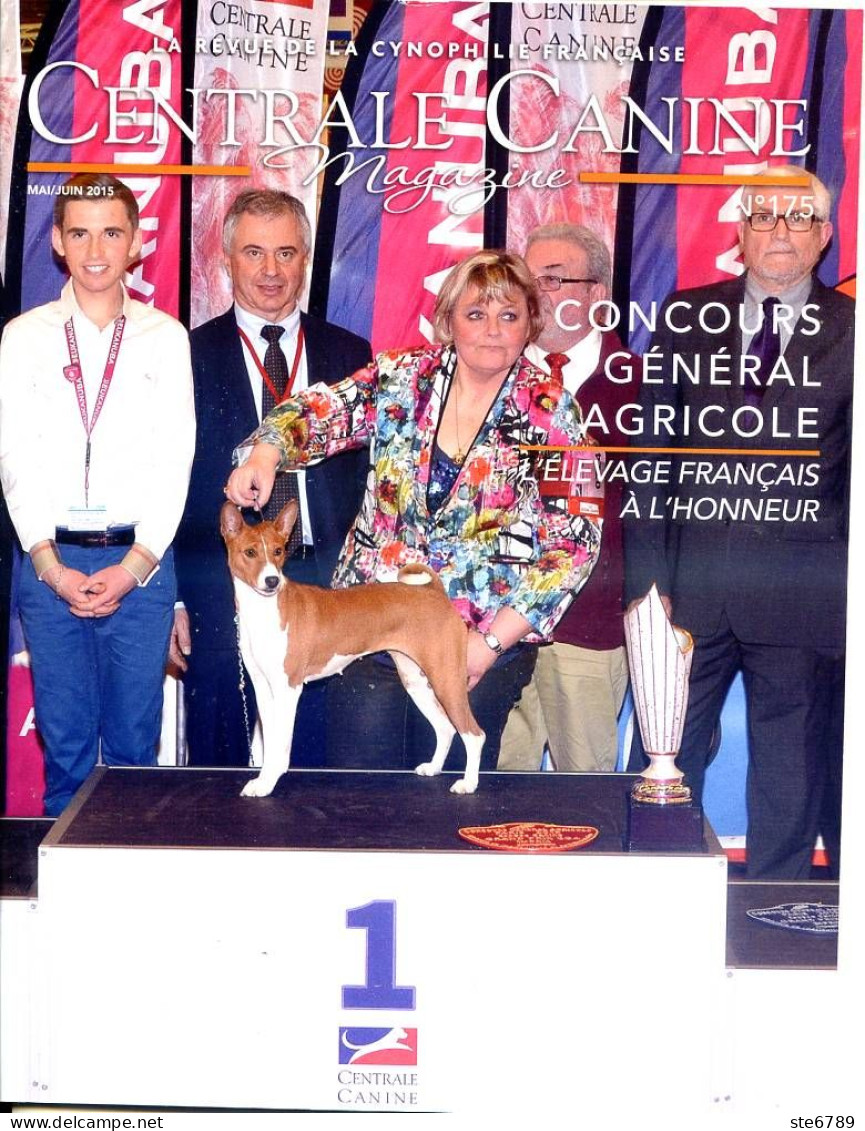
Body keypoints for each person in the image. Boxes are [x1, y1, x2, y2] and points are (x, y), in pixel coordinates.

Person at [226, 250, 602, 772]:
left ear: (531, 324)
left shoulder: (554, 411)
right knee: (365, 800)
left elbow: (576, 543)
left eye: (509, 316)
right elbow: (317, 411)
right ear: (447, 320)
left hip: (480, 641)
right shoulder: (400, 377)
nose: (492, 330)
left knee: (453, 810)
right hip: (370, 634)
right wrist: (267, 451)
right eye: (475, 314)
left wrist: (490, 643)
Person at [624, 167, 853, 879]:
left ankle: (772, 911)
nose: (778, 232)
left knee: (790, 765)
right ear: (740, 232)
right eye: (762, 217)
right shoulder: (686, 317)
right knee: (663, 752)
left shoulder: (855, 332)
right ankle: (648, 887)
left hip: (805, 592)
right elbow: (650, 458)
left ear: (822, 237)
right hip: (688, 591)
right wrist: (647, 582)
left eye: (796, 219)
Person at [0, 172, 195, 817]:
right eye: (79, 233)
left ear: (136, 243)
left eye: (111, 233)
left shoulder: (166, 338)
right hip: (50, 562)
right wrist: (49, 567)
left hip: (138, 565)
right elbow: (15, 457)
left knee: (136, 753)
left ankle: (133, 899)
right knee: (67, 750)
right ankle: (66, 903)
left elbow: (177, 460)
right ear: (57, 241)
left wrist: (137, 566)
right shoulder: (24, 337)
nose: (94, 250)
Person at [171, 190, 370, 768]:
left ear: (306, 258)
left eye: (286, 253)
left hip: (324, 577)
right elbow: (172, 483)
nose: (271, 271)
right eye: (254, 253)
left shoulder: (350, 354)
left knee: (315, 757)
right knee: (221, 752)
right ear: (226, 259)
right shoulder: (188, 354)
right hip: (221, 578)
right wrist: (177, 597)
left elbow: (366, 480)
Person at [498, 224, 638, 774]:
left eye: (555, 280)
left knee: (585, 792)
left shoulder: (640, 385)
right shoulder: (489, 378)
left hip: (590, 626)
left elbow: (654, 511)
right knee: (491, 786)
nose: (539, 294)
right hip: (495, 629)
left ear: (596, 294)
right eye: (531, 280)